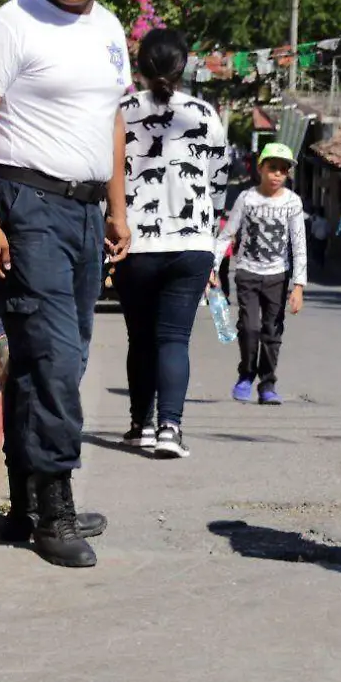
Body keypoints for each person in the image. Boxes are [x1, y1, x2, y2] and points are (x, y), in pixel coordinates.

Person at [0, 0, 127, 568]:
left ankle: (28, 499)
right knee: (54, 359)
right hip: (27, 204)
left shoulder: (111, 28)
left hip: (85, 213)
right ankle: (54, 510)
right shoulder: (13, 23)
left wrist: (117, 207)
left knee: (55, 357)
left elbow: (111, 117)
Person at [116, 28, 228, 459]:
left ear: (139, 66)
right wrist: (208, 223)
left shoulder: (119, 111)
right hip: (192, 243)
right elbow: (218, 182)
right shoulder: (204, 113)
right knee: (173, 339)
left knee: (139, 338)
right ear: (184, 66)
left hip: (134, 243)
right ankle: (169, 429)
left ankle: (138, 426)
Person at [212, 143, 307, 405]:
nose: (277, 174)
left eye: (283, 170)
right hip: (247, 273)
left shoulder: (292, 202)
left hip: (278, 275)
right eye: (272, 168)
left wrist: (298, 286)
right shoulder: (247, 198)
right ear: (260, 168)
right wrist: (213, 266)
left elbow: (299, 244)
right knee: (250, 327)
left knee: (271, 332)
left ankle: (267, 384)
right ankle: (246, 375)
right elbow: (228, 233)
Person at [306, 204, 331, 274]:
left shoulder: (316, 221)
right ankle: (321, 264)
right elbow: (328, 231)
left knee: (317, 250)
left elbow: (312, 231)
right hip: (324, 238)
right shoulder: (326, 221)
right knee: (322, 251)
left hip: (317, 238)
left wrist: (311, 237)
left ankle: (318, 262)